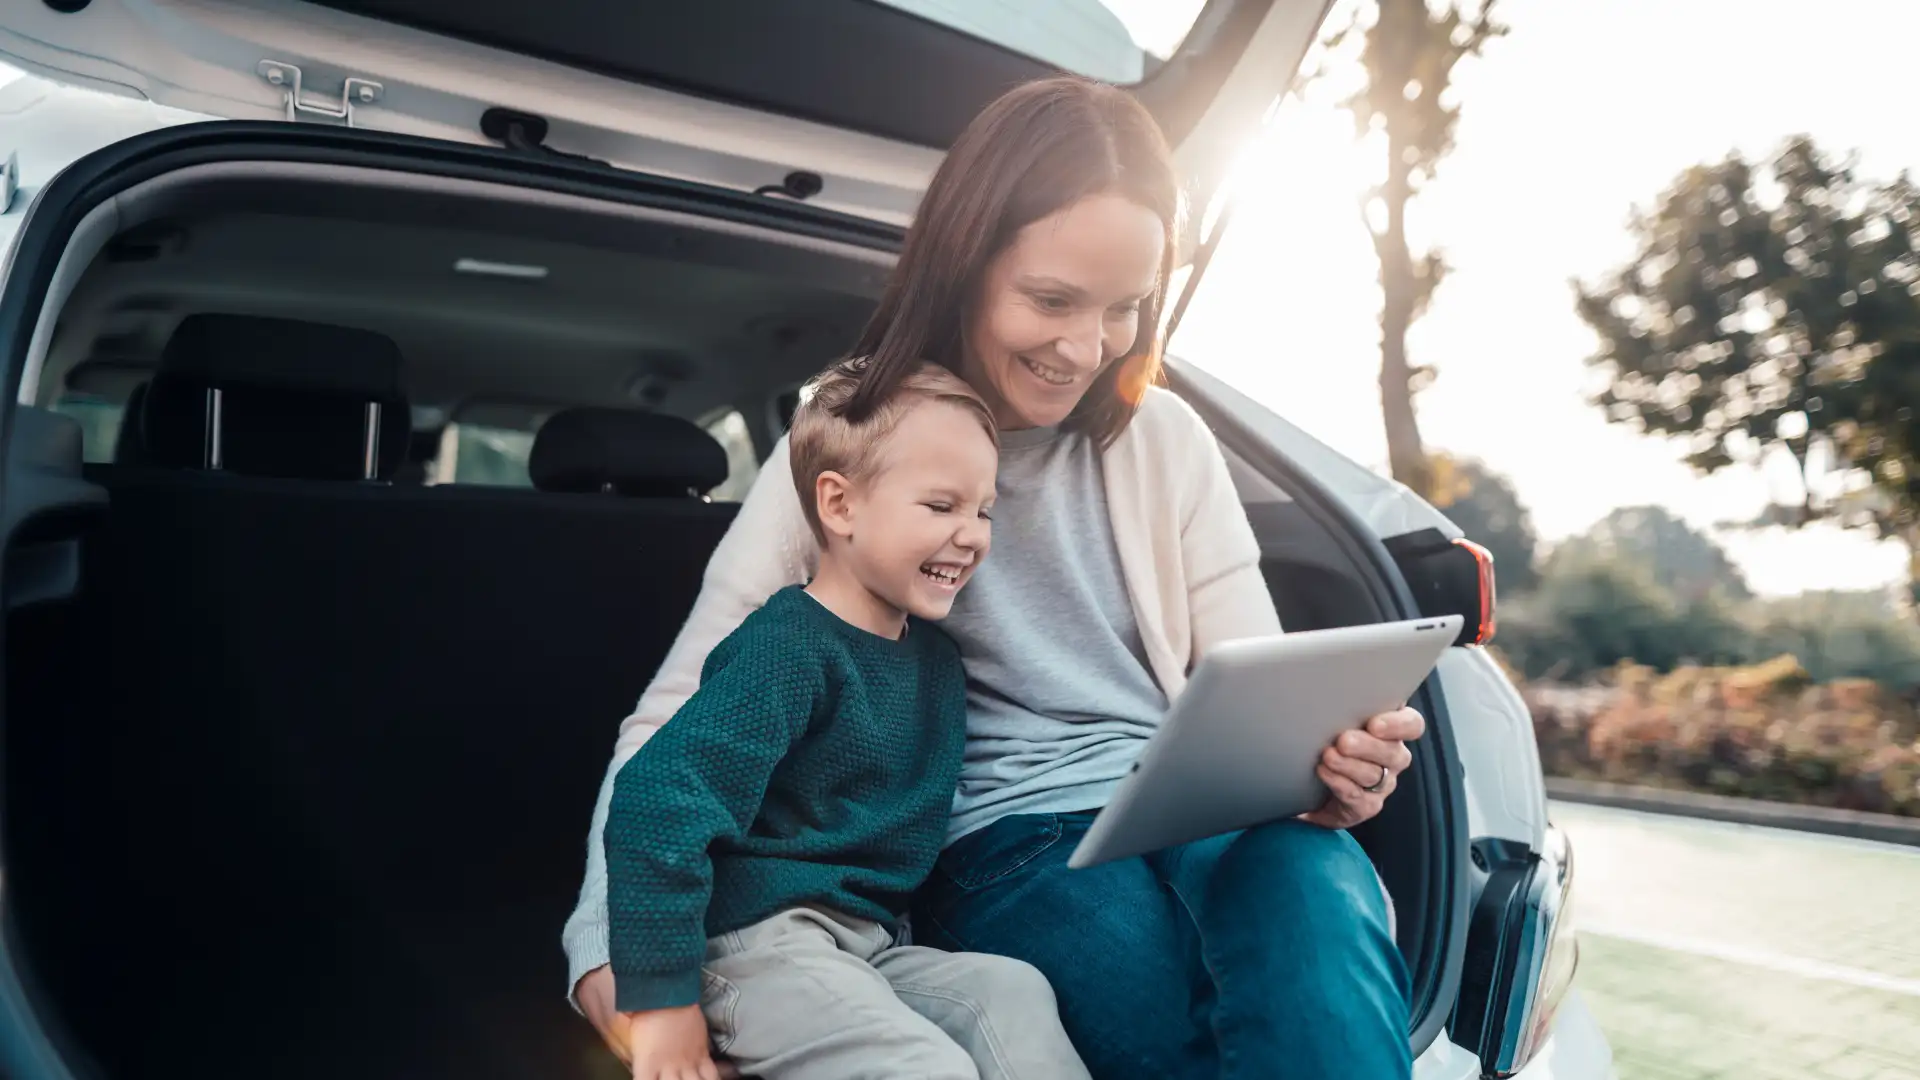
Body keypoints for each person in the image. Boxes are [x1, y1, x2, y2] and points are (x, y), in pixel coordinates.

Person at [566, 76, 1426, 1080]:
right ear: (966, 263)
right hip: (1004, 846)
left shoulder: (1167, 440)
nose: (1086, 347)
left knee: (1320, 891)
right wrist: (614, 962)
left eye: (1123, 308)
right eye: (1053, 300)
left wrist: (1331, 772)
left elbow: (1258, 686)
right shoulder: (857, 434)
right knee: (1174, 1043)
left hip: (1194, 809)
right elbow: (676, 724)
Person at [602, 359, 1089, 1080]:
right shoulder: (788, 648)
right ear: (839, 505)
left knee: (1012, 992)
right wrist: (661, 1002)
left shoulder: (935, 663)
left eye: (982, 510)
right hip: (752, 946)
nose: (972, 535)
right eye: (940, 505)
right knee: (927, 1069)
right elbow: (657, 801)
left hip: (868, 947)